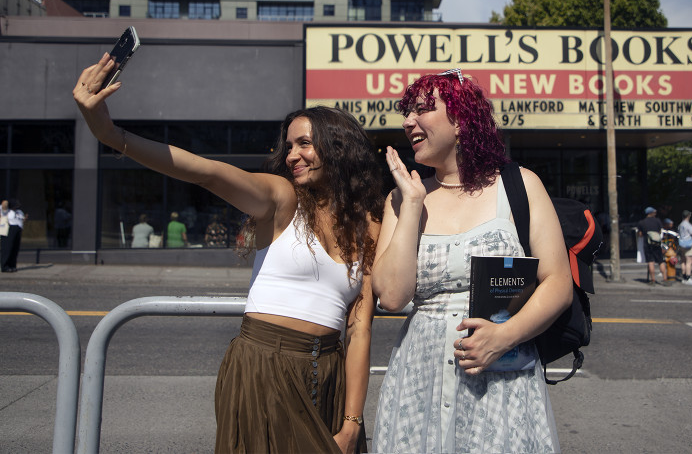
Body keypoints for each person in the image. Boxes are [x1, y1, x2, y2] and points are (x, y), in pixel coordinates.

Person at [73, 52, 383, 454]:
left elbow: (361, 329)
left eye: (304, 143)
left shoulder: (367, 223)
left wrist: (352, 422)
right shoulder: (282, 197)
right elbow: (205, 170)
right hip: (263, 367)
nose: (291, 155)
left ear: (339, 147)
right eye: (288, 146)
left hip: (329, 373)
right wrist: (112, 135)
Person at [371, 69, 571, 452]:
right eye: (406, 112)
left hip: (501, 378)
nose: (407, 121)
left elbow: (557, 282)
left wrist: (503, 337)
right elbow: (393, 298)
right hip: (421, 378)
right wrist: (413, 204)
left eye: (422, 110)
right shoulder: (401, 199)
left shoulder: (519, 185)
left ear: (461, 120)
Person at [638, 206, 667, 286]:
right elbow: (660, 231)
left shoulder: (642, 222)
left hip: (647, 244)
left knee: (650, 262)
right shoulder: (657, 221)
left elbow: (640, 235)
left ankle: (653, 280)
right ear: (652, 213)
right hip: (657, 243)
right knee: (661, 261)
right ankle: (665, 279)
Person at [1, 199, 26, 273]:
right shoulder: (6, 211)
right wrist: (8, 203)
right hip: (9, 228)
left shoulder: (19, 212)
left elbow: (22, 219)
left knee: (15, 249)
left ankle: (12, 265)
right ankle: (5, 266)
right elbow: (4, 204)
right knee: (7, 248)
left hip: (18, 229)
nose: (16, 207)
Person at [677, 210, 692, 286]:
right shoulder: (687, 224)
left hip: (681, 243)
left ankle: (683, 277)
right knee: (689, 261)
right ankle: (688, 278)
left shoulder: (680, 224)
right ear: (688, 216)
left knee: (683, 261)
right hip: (688, 244)